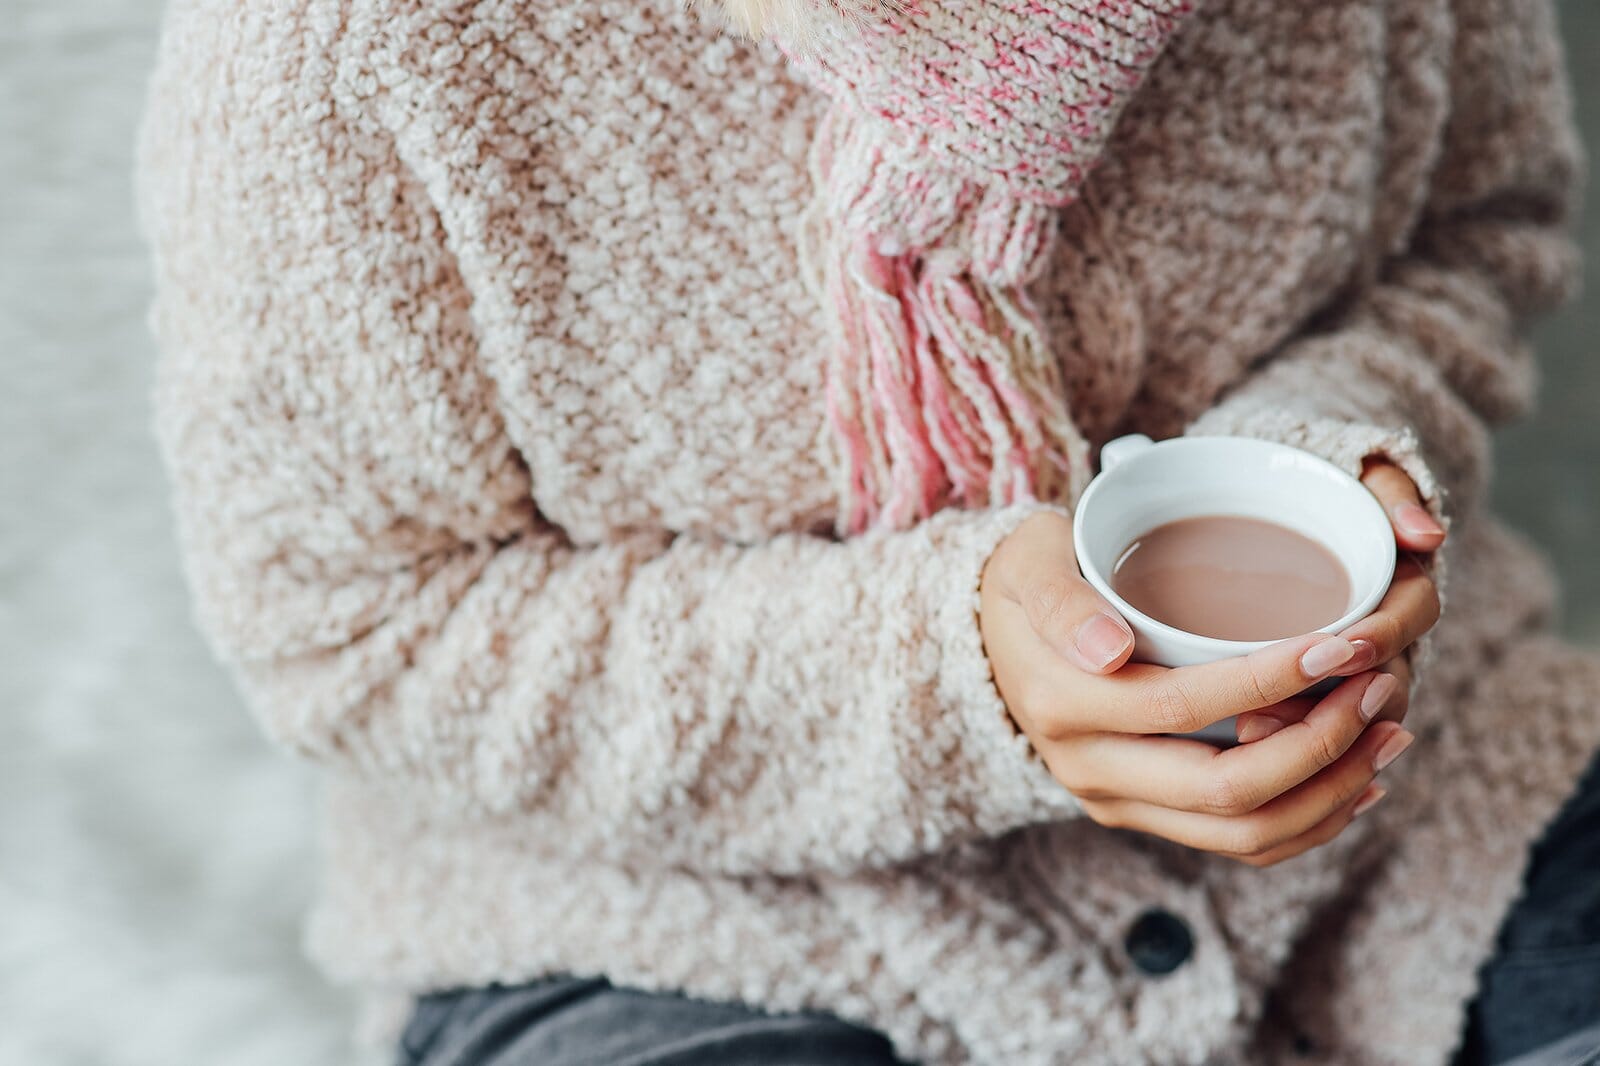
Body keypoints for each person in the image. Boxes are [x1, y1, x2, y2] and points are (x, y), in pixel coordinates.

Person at [135, 0, 1600, 1062]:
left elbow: (1482, 227)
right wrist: (952, 668)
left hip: (1409, 822)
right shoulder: (342, 49)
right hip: (674, 920)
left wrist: (1301, 482)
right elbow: (349, 627)